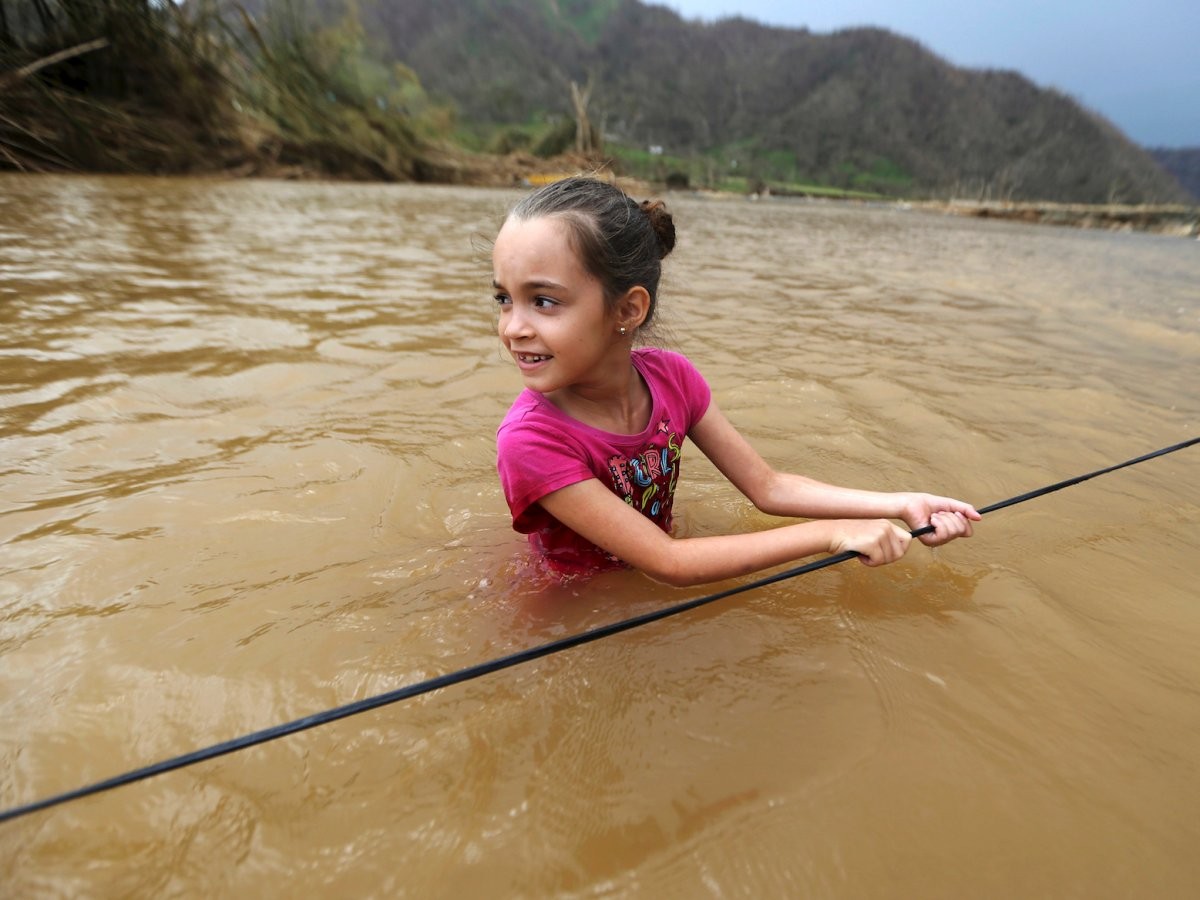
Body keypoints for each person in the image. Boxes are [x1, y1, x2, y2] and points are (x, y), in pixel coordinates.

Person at [493, 176, 978, 586]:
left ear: (627, 309)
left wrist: (900, 504)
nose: (513, 327)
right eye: (504, 300)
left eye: (543, 301)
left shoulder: (671, 379)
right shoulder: (531, 439)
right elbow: (669, 561)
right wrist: (834, 533)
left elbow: (769, 487)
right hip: (569, 601)